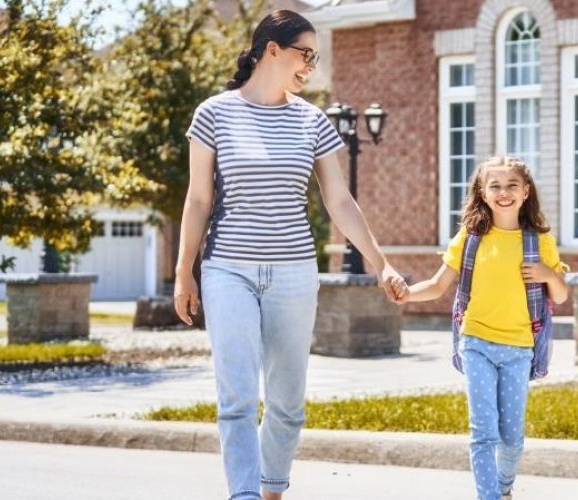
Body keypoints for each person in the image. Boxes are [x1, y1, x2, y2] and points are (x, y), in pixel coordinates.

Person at [173, 10, 406, 500]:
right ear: (271, 50)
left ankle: (271, 488)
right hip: (228, 269)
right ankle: (243, 494)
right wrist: (183, 273)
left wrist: (380, 261)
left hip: (295, 273)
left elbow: (339, 200)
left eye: (316, 58)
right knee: (236, 396)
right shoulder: (214, 113)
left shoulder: (311, 120)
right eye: (306, 54)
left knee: (286, 403)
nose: (311, 67)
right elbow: (198, 200)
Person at [397, 155, 568, 500]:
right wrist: (406, 295)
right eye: (495, 186)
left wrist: (548, 275)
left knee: (512, 438)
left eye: (511, 186)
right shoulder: (471, 237)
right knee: (482, 433)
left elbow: (561, 296)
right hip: (475, 342)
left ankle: (504, 488)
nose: (503, 192)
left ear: (525, 192)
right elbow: (437, 285)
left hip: (520, 348)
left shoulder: (539, 241)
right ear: (483, 192)